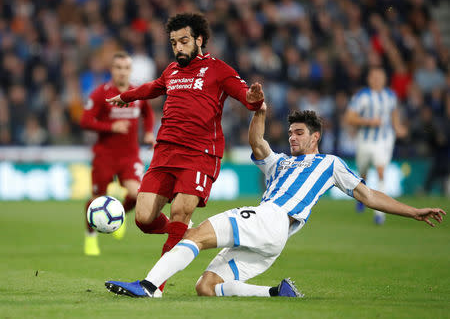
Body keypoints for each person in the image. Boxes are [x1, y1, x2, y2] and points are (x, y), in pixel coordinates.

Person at [104, 105, 445, 298]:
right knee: (206, 287)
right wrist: (260, 110)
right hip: (273, 239)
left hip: (272, 218)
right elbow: (257, 141)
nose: (293, 138)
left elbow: (368, 195)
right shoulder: (279, 162)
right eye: (291, 132)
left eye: (300, 133)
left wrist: (413, 211)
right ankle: (275, 293)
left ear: (316, 137)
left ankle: (149, 286)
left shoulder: (328, 163)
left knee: (193, 235)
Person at [106, 13, 264, 291]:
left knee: (180, 210)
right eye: (173, 42)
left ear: (199, 40)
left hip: (200, 154)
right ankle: (184, 234)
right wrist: (126, 96)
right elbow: (151, 88)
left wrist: (254, 99)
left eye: (184, 41)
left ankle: (154, 287)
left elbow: (246, 96)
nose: (178, 47)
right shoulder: (171, 71)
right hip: (165, 152)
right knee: (143, 218)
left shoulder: (218, 69)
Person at [80, 51, 156, 256]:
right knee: (97, 199)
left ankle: (118, 214)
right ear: (112, 70)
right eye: (118, 68)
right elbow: (85, 121)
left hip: (129, 156)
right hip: (105, 155)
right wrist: (111, 127)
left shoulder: (137, 93)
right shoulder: (100, 94)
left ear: (130, 70)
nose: (122, 72)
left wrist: (149, 133)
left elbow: (148, 114)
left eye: (126, 68)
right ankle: (91, 237)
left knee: (137, 194)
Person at [344, 67, 407, 224]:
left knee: (380, 171)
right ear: (369, 79)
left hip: (384, 140)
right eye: (375, 77)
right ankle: (361, 197)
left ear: (385, 79)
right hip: (365, 140)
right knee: (363, 172)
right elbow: (349, 118)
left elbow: (394, 113)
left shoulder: (390, 96)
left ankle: (380, 214)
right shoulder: (362, 96)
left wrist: (397, 127)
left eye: (380, 77)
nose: (378, 80)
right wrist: (369, 122)